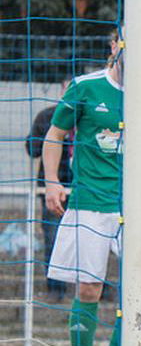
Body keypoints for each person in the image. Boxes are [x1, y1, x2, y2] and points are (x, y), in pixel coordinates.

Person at [43, 32, 141, 346]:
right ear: (114, 46)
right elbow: (55, 134)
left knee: (140, 287)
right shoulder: (85, 87)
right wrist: (52, 182)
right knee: (88, 289)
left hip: (136, 208)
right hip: (89, 203)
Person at [25, 89, 72, 302]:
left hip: (85, 189)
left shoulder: (90, 116)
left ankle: (96, 287)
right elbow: (31, 148)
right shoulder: (46, 116)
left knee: (89, 238)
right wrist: (53, 134)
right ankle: (55, 288)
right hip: (52, 189)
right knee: (52, 237)